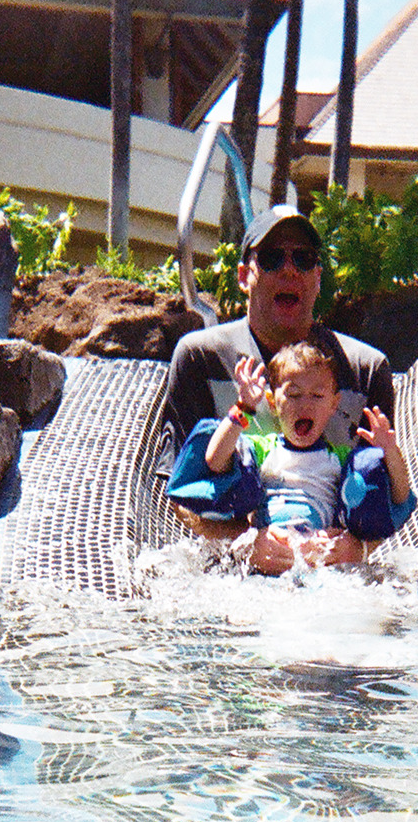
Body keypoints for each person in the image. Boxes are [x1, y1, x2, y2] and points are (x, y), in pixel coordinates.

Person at [157, 204, 397, 574]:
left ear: (318, 278)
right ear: (244, 276)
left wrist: (358, 547)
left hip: (332, 568)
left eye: (303, 259)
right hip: (231, 568)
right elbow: (175, 493)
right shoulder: (201, 357)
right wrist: (242, 542)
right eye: (271, 258)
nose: (289, 270)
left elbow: (386, 496)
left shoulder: (365, 369)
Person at [189, 342, 413, 568]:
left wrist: (390, 452)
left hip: (320, 560)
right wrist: (242, 408)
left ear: (333, 404)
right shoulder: (263, 450)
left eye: (317, 396)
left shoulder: (341, 458)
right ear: (273, 403)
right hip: (268, 557)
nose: (305, 405)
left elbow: (400, 496)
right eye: (294, 394)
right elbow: (215, 460)